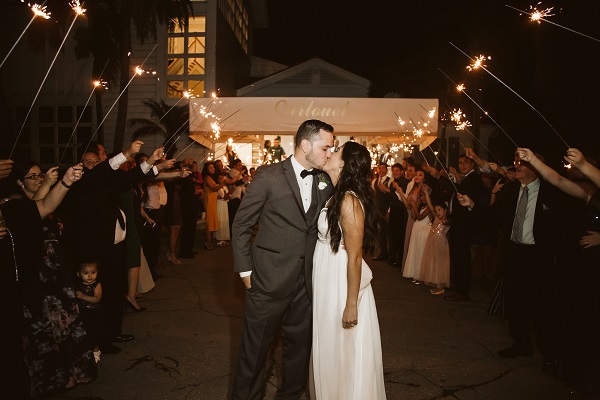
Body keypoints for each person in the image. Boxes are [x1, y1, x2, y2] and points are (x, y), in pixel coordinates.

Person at [231, 119, 334, 400]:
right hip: (267, 281)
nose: (329, 153)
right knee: (254, 354)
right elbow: (241, 225)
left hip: (306, 284)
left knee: (299, 351)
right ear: (305, 145)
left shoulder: (324, 180)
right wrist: (244, 271)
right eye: (325, 147)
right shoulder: (268, 176)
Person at [518, 147, 600, 395]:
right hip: (584, 264)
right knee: (580, 318)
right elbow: (558, 179)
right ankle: (579, 376)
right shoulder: (591, 193)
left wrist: (584, 164)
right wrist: (533, 160)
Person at [311, 141, 386, 399]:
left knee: (342, 350)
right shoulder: (336, 195)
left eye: (336, 150)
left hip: (341, 283)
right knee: (329, 346)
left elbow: (355, 257)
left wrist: (351, 303)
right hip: (327, 278)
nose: (329, 153)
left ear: (344, 163)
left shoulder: (349, 201)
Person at [419, 198, 451, 295]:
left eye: (439, 210)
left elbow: (446, 223)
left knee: (440, 265)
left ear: (445, 210)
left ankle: (440, 286)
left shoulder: (446, 220)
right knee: (434, 263)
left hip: (441, 244)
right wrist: (427, 195)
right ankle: (436, 283)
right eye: (436, 210)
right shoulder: (436, 218)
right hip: (433, 243)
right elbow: (430, 206)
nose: (437, 212)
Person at [75, 261, 103, 363]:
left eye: (93, 272)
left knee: (95, 332)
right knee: (85, 333)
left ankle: (96, 350)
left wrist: (83, 296)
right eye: (86, 273)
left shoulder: (96, 285)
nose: (90, 276)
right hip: (83, 313)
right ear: (78, 274)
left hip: (94, 313)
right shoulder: (78, 285)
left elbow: (97, 299)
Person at [372, 162, 391, 261]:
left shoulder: (390, 181)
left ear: (386, 170)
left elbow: (392, 198)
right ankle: (381, 253)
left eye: (383, 168)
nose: (381, 170)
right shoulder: (374, 181)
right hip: (377, 210)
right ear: (377, 170)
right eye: (380, 168)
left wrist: (389, 211)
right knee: (378, 233)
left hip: (386, 210)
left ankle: (388, 254)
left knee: (387, 233)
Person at [201, 161, 223, 250]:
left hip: (213, 200)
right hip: (209, 200)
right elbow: (213, 188)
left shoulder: (211, 177)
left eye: (213, 167)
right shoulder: (207, 177)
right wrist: (222, 184)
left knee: (212, 219)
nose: (212, 169)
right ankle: (207, 241)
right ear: (206, 169)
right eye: (210, 167)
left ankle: (209, 240)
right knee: (209, 220)